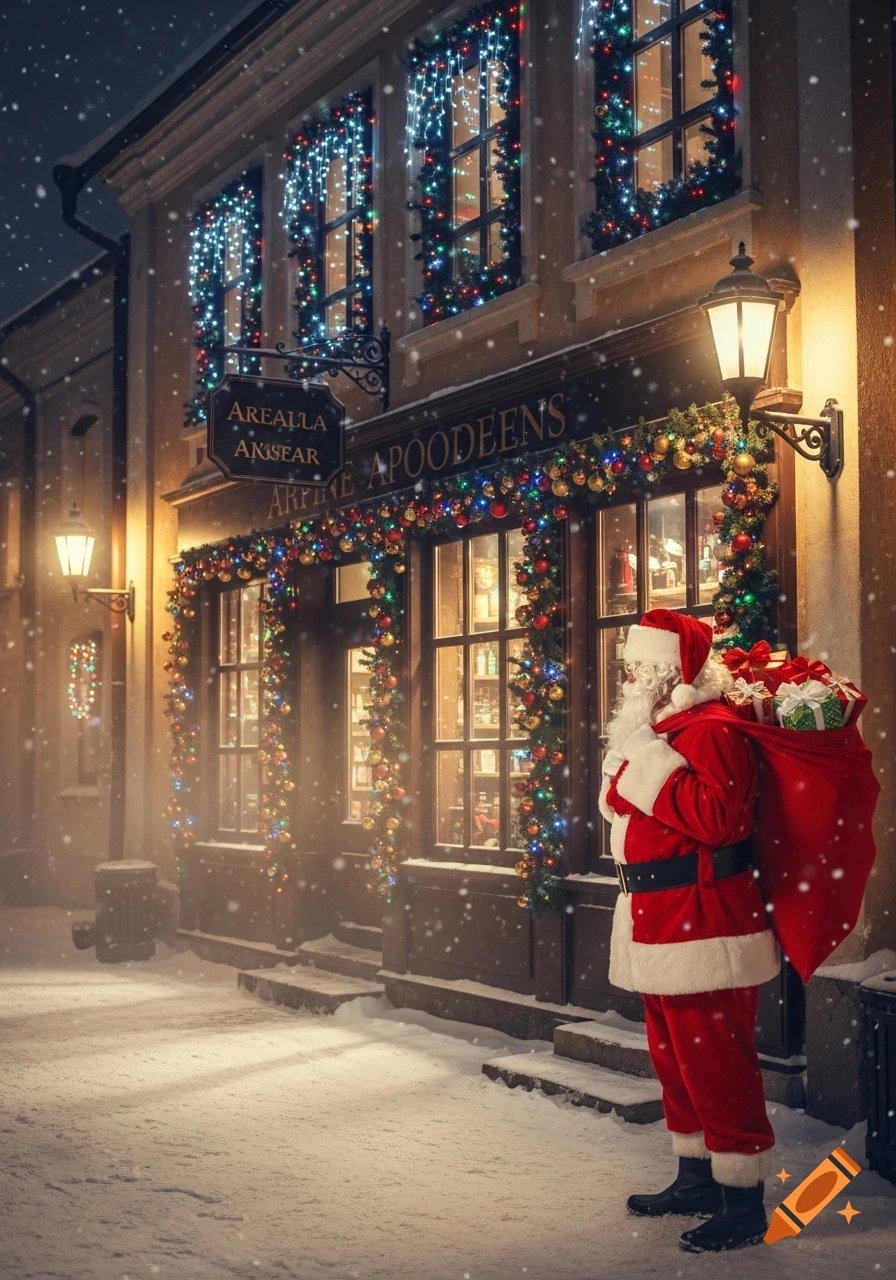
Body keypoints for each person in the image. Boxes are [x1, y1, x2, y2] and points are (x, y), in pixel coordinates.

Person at [600, 609, 779, 1253]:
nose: (629, 674)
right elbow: (626, 807)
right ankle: (697, 1176)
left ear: (674, 671)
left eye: (640, 665)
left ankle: (743, 1200)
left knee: (717, 1062)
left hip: (703, 922)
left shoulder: (712, 730)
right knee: (675, 1061)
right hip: (653, 916)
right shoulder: (664, 729)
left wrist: (646, 758)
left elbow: (716, 818)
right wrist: (638, 757)